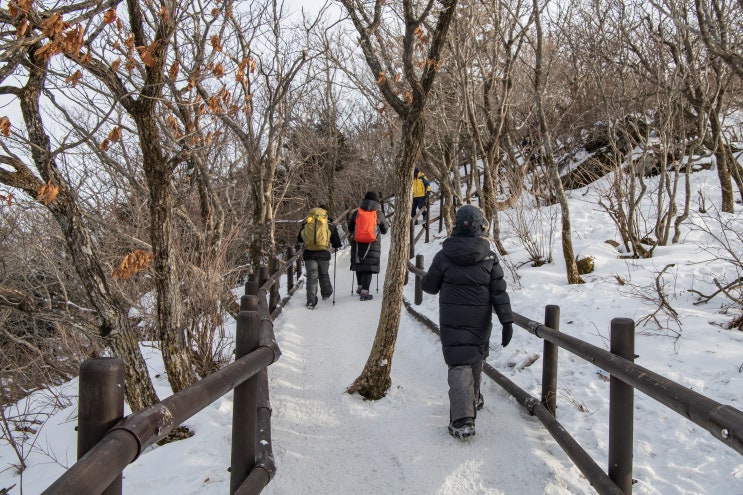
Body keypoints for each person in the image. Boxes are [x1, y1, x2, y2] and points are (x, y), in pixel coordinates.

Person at [421, 204, 514, 439]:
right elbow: (499, 293)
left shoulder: (444, 256)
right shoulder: (490, 257)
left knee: (459, 362)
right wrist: (507, 321)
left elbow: (429, 287)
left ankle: (463, 418)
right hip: (480, 319)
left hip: (452, 319)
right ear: (479, 227)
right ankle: (472, 400)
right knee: (474, 355)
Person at [297, 204, 342, 309]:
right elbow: (337, 243)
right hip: (323, 253)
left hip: (309, 253)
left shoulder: (307, 223)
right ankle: (326, 294)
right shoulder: (329, 225)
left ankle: (311, 302)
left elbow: (300, 238)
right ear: (325, 213)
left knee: (312, 276)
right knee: (324, 274)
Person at [348, 191, 389, 301]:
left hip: (357, 243)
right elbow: (385, 230)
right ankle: (365, 293)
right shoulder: (378, 213)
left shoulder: (357, 212)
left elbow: (350, 228)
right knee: (368, 267)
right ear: (376, 201)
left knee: (359, 264)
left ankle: (360, 287)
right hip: (373, 244)